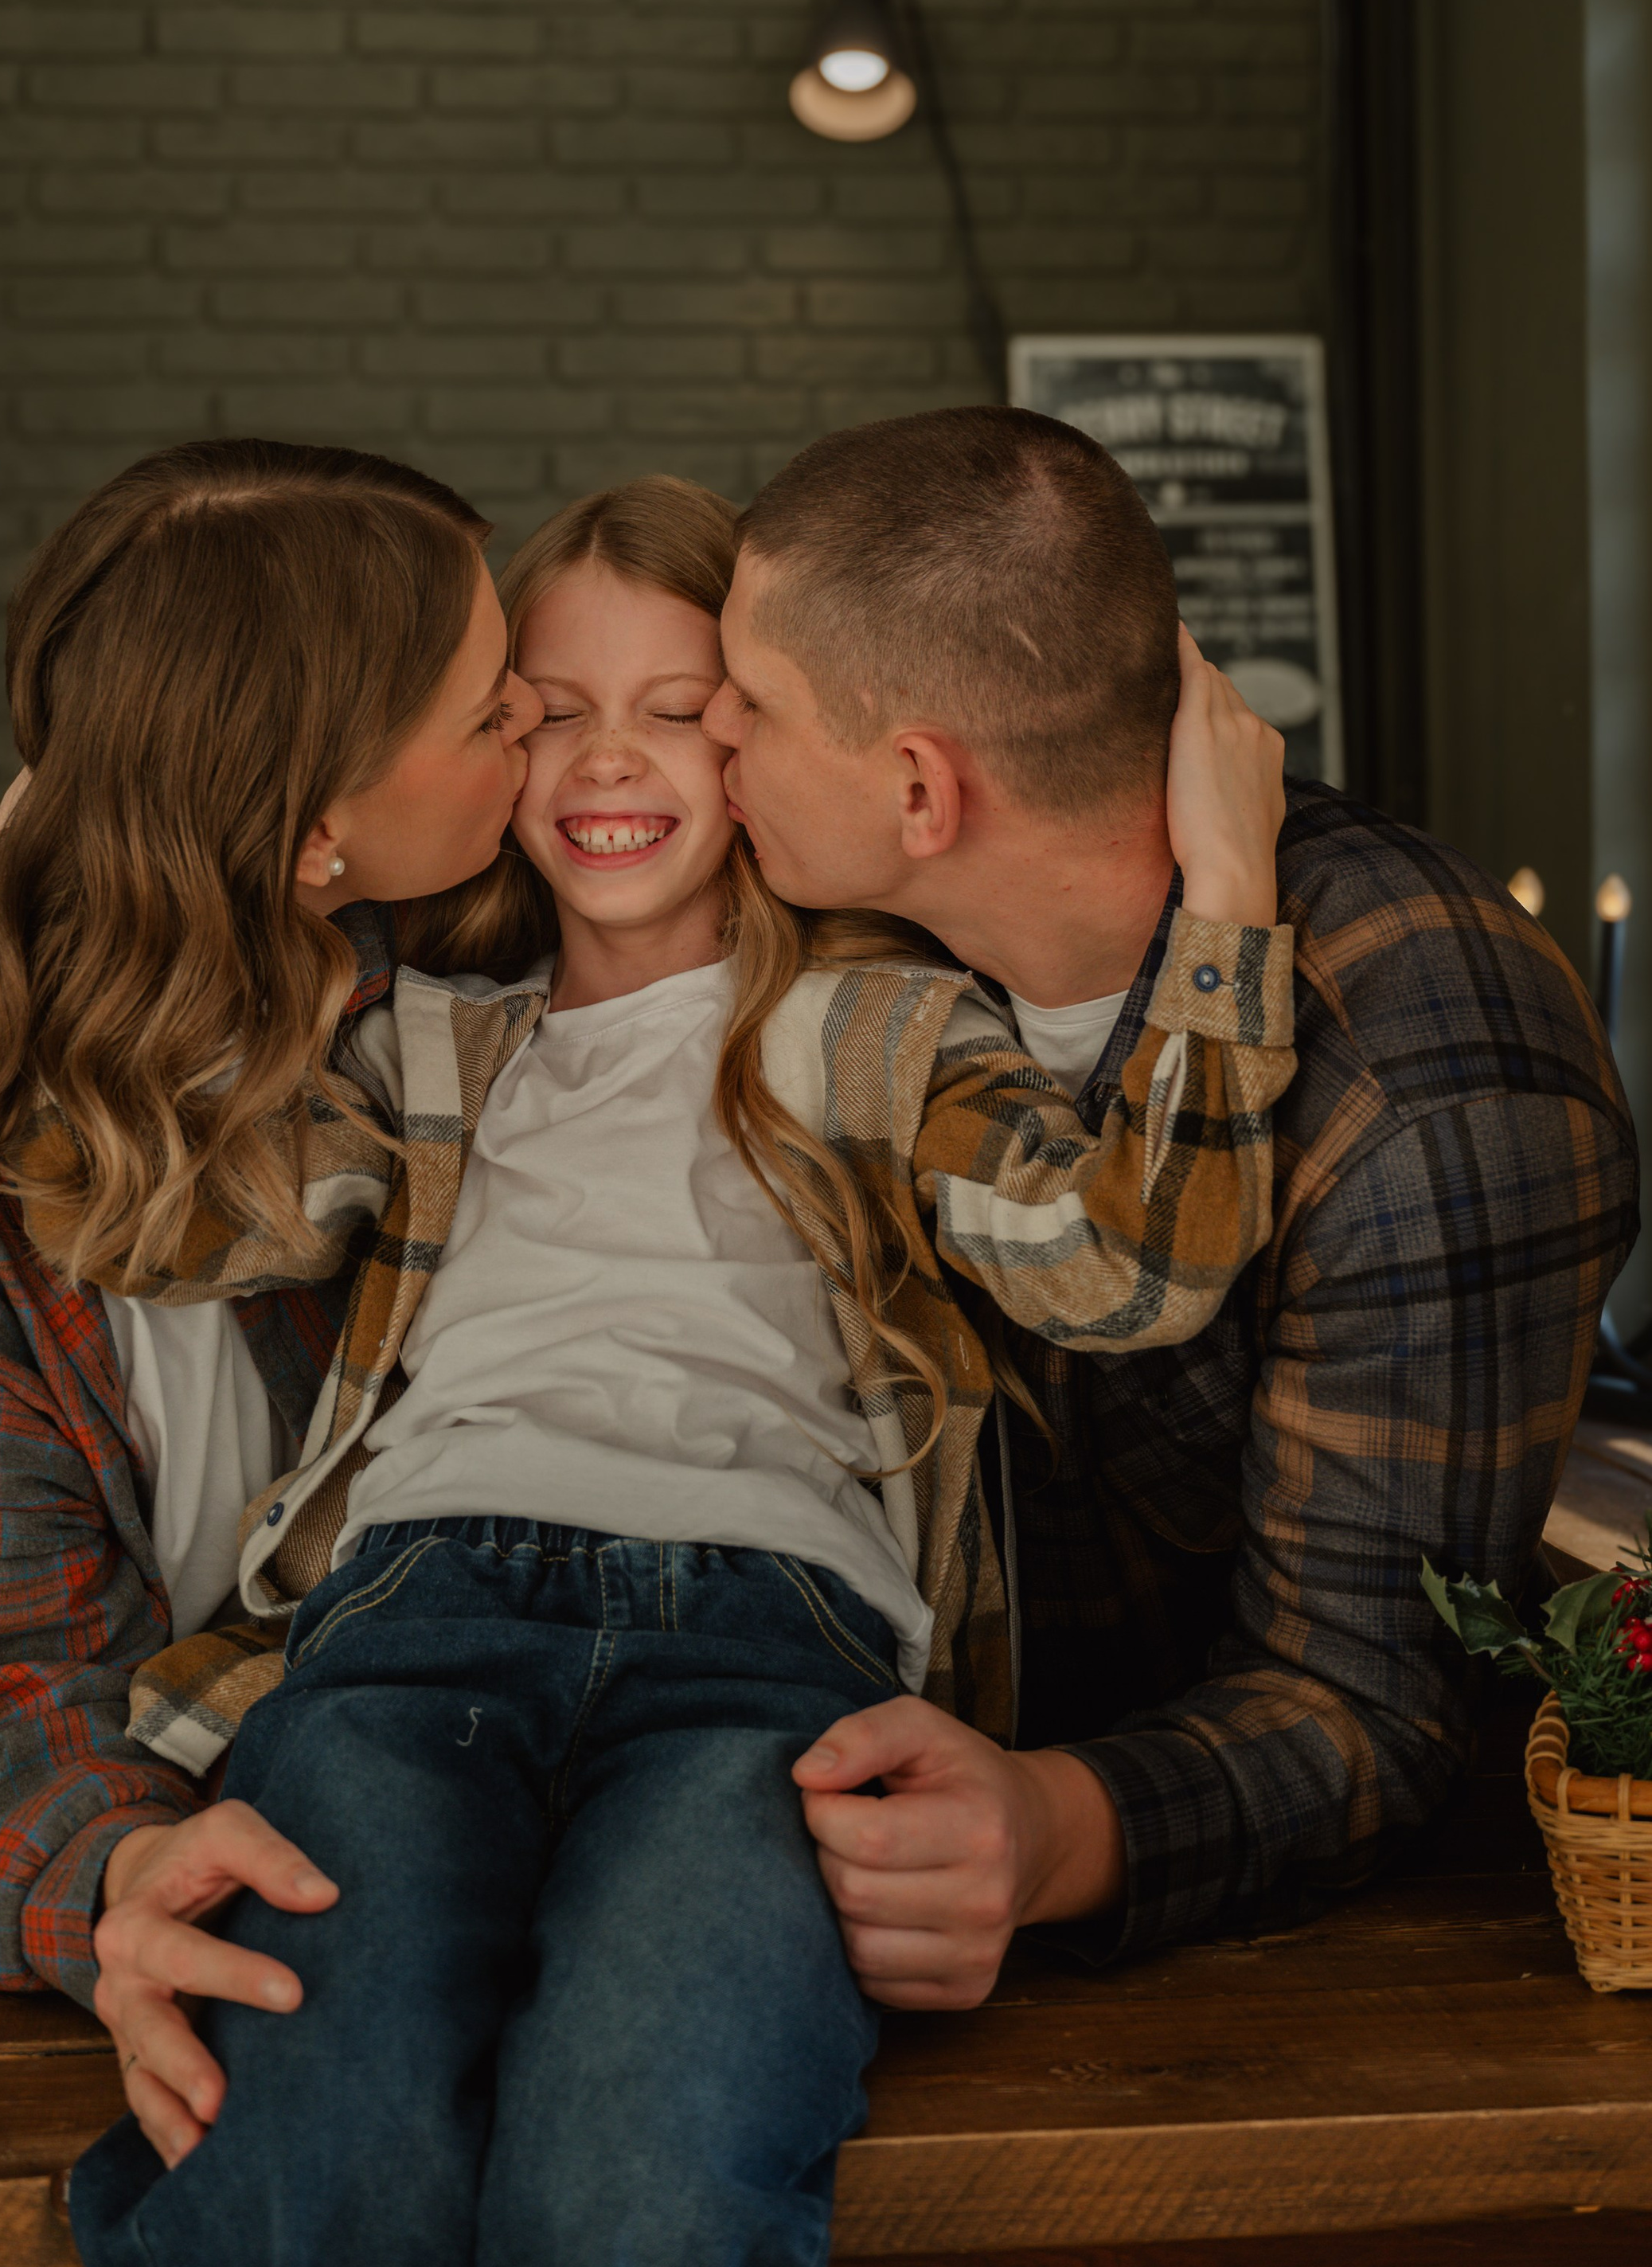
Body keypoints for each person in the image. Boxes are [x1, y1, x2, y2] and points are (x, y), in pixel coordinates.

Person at [61, 474, 1293, 2267]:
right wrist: (250, 874)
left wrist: (1229, 886)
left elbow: (1130, 1264)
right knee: (318, 2158)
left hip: (762, 1664)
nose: (599, 760)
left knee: (647, 2177)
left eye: (678, 708)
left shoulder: (865, 1030)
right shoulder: (420, 1041)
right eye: (544, 712)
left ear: (761, 751)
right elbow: (169, 1230)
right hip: (415, 1629)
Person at [696, 403, 1640, 2008]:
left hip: (1262, 1978)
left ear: (919, 786)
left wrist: (1045, 1828)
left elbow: (1360, 1702)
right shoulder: (865, 938)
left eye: (749, 704)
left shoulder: (1434, 1092)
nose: (705, 729)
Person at [0, 440, 547, 2166]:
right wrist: (121, 1866)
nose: (541, 727)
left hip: (523, 1885)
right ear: (313, 826)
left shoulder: (496, 960)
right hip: (148, 2000)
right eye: (493, 707)